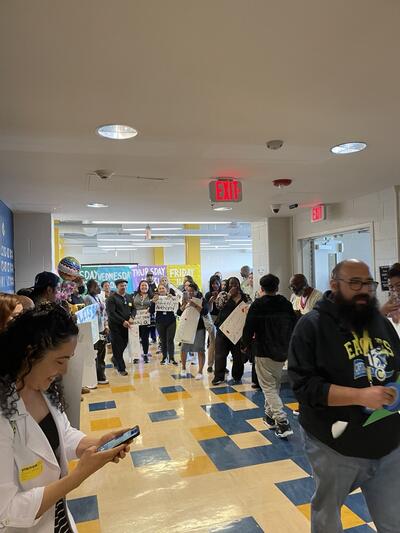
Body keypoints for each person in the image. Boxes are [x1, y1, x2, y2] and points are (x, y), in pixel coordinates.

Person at [288, 259, 400, 533]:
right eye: (354, 283)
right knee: (327, 516)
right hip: (333, 442)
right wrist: (360, 396)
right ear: (334, 285)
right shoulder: (311, 326)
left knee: (394, 520)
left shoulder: (380, 323)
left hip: (387, 441)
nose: (364, 290)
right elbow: (305, 387)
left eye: (369, 284)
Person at [0, 304, 132, 532]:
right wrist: (80, 474)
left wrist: (95, 444)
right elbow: (7, 511)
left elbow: (63, 433)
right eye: (60, 361)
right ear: (30, 353)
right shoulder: (3, 412)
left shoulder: (43, 389)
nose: (65, 371)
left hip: (59, 519)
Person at [242, 274, 297, 438]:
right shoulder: (286, 304)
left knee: (268, 387)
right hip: (282, 350)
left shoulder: (258, 305)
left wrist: (245, 345)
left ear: (261, 288)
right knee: (274, 384)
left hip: (263, 350)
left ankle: (282, 422)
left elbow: (248, 327)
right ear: (277, 287)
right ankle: (269, 417)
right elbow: (294, 324)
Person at [212, 277, 252, 386]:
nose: (234, 286)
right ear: (228, 286)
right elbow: (218, 306)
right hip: (224, 329)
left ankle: (237, 376)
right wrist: (229, 295)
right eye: (231, 284)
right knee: (220, 354)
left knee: (238, 355)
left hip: (238, 331)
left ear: (239, 285)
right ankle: (218, 377)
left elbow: (250, 309)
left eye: (236, 284)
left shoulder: (245, 296)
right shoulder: (223, 295)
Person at [177, 282, 208, 379]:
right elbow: (178, 312)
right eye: (188, 291)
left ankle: (200, 371)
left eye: (192, 291)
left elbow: (205, 312)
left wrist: (194, 304)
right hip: (186, 327)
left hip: (199, 327)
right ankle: (183, 368)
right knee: (184, 348)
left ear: (196, 291)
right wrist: (185, 303)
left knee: (200, 349)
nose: (190, 293)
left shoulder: (202, 299)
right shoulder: (184, 299)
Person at [106, 279, 135, 376]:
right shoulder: (111, 298)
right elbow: (111, 313)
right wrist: (122, 321)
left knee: (123, 345)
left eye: (125, 285)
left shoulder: (129, 296)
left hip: (127, 327)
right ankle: (121, 368)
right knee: (117, 347)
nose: (124, 287)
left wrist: (132, 317)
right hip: (115, 327)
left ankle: (115, 359)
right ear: (117, 286)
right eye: (122, 286)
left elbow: (133, 308)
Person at [84, 279, 109, 385]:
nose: (98, 287)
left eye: (98, 285)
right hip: (93, 331)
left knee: (102, 353)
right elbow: (90, 314)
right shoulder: (87, 298)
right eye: (96, 286)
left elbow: (103, 313)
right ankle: (94, 376)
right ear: (90, 288)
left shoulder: (99, 297)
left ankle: (101, 374)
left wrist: (106, 325)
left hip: (101, 329)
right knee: (95, 354)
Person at [151, 284, 178, 365]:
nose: (162, 290)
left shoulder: (171, 297)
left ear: (167, 290)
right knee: (163, 340)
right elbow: (151, 311)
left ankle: (172, 358)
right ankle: (164, 357)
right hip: (160, 321)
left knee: (170, 340)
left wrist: (173, 299)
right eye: (160, 288)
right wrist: (153, 302)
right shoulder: (156, 298)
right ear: (158, 290)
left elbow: (177, 308)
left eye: (163, 288)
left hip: (171, 320)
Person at [204, 275, 221, 372]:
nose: (215, 285)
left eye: (217, 283)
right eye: (213, 283)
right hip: (211, 319)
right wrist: (211, 301)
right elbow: (209, 310)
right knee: (213, 341)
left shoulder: (223, 294)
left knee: (221, 344)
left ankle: (221, 364)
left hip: (222, 319)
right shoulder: (207, 294)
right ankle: (210, 364)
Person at [133, 280, 152, 364]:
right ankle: (136, 356)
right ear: (139, 287)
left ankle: (145, 354)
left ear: (148, 287)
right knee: (136, 338)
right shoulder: (134, 295)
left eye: (145, 286)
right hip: (136, 320)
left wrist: (150, 308)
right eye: (142, 285)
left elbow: (155, 306)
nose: (144, 287)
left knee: (145, 338)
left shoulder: (151, 296)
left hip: (146, 320)